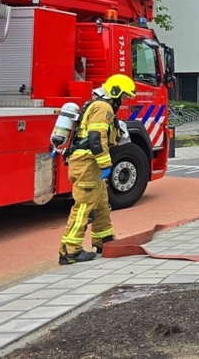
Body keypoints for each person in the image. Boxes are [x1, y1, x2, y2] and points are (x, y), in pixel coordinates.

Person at [58, 74, 136, 265]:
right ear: (116, 91)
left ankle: (103, 239)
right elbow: (95, 138)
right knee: (83, 207)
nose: (124, 100)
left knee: (101, 203)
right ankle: (70, 250)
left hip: (88, 163)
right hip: (88, 163)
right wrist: (105, 164)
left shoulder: (97, 104)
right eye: (124, 96)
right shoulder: (104, 107)